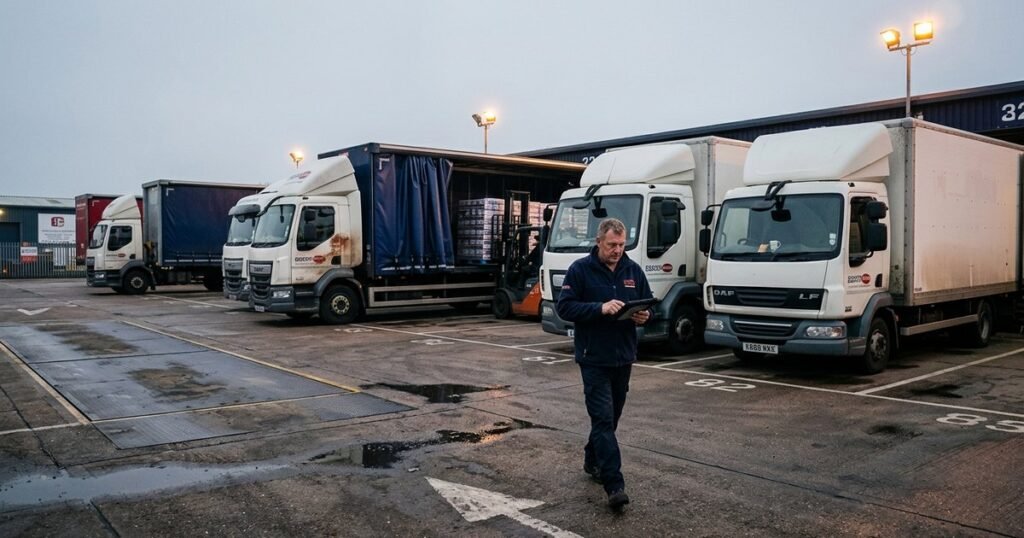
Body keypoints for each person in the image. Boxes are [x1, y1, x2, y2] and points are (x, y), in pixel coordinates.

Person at [556, 217, 653, 510]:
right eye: (612, 245)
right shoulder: (580, 270)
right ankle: (614, 485)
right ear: (599, 242)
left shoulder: (632, 270)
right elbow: (564, 307)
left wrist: (644, 316)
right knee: (602, 418)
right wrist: (599, 308)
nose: (617, 250)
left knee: (610, 419)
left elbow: (646, 302)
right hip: (593, 358)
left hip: (623, 357)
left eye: (622, 245)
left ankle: (591, 458)